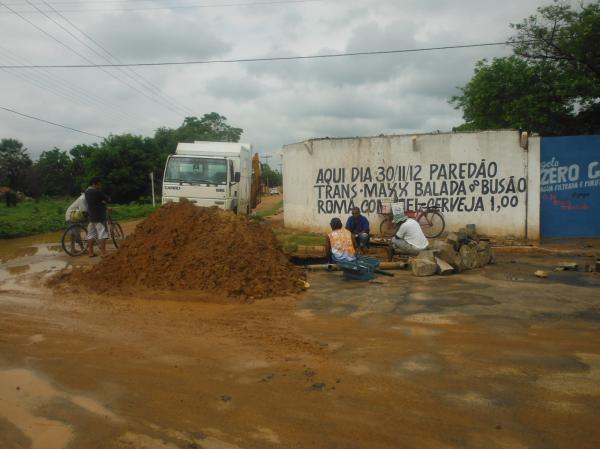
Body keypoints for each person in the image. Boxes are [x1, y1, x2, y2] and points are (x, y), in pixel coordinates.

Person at [84, 177, 110, 257]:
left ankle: (90, 253)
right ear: (94, 184)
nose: (100, 185)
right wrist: (104, 201)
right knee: (103, 234)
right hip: (99, 217)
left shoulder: (87, 192)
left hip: (91, 217)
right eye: (99, 184)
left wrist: (101, 202)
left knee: (91, 235)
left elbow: (95, 203)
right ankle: (103, 253)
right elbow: (108, 199)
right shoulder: (96, 192)